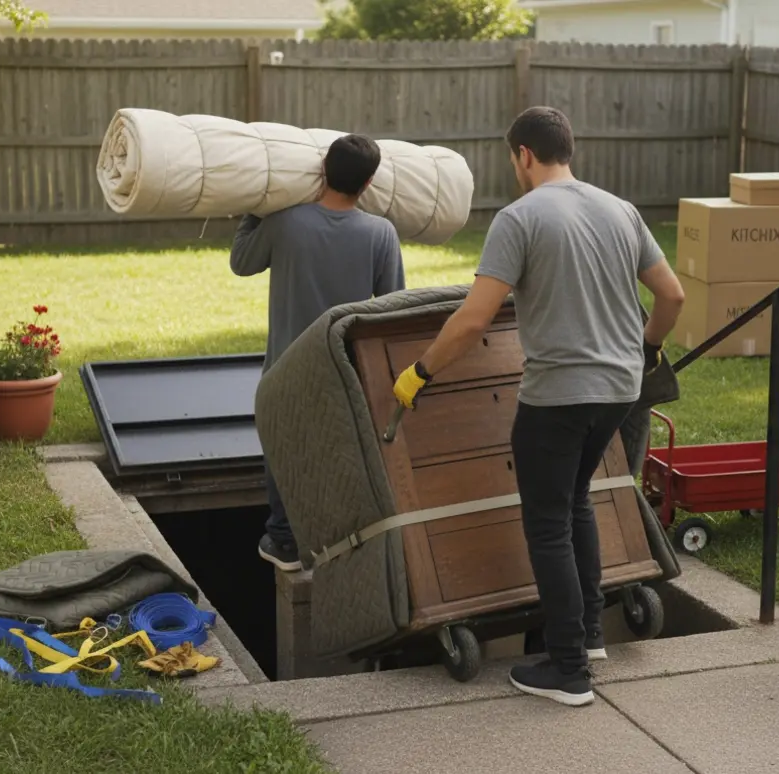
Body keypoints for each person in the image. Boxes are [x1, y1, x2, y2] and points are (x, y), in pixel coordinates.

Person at [390, 106, 685, 707]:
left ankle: (570, 671)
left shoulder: (518, 218)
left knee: (547, 523)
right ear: (565, 150)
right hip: (619, 392)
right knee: (576, 503)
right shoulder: (620, 209)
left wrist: (419, 372)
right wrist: (646, 346)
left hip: (557, 398)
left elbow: (474, 318)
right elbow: (672, 294)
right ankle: (589, 638)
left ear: (523, 154)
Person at [231, 133, 406, 573]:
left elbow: (241, 262)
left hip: (285, 370)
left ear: (322, 171)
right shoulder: (381, 233)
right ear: (368, 185)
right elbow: (392, 308)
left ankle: (285, 539)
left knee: (283, 444)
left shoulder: (285, 222)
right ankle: (339, 538)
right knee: (336, 453)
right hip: (346, 373)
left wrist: (257, 205)